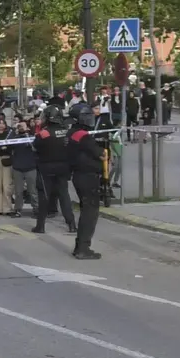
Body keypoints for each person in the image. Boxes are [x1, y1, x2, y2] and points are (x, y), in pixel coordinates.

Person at [67, 103, 104, 259]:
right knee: (90, 212)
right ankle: (83, 247)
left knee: (86, 210)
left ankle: (79, 247)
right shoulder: (83, 135)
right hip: (87, 176)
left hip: (79, 175)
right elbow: (101, 154)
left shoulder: (72, 133)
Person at [10, 119, 37, 218]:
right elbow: (6, 142)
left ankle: (36, 209)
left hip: (30, 167)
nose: (21, 127)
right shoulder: (15, 138)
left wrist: (27, 134)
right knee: (18, 191)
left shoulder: (31, 137)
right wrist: (13, 130)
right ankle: (17, 209)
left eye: (23, 126)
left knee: (32, 190)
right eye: (19, 126)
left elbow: (35, 148)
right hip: (18, 168)